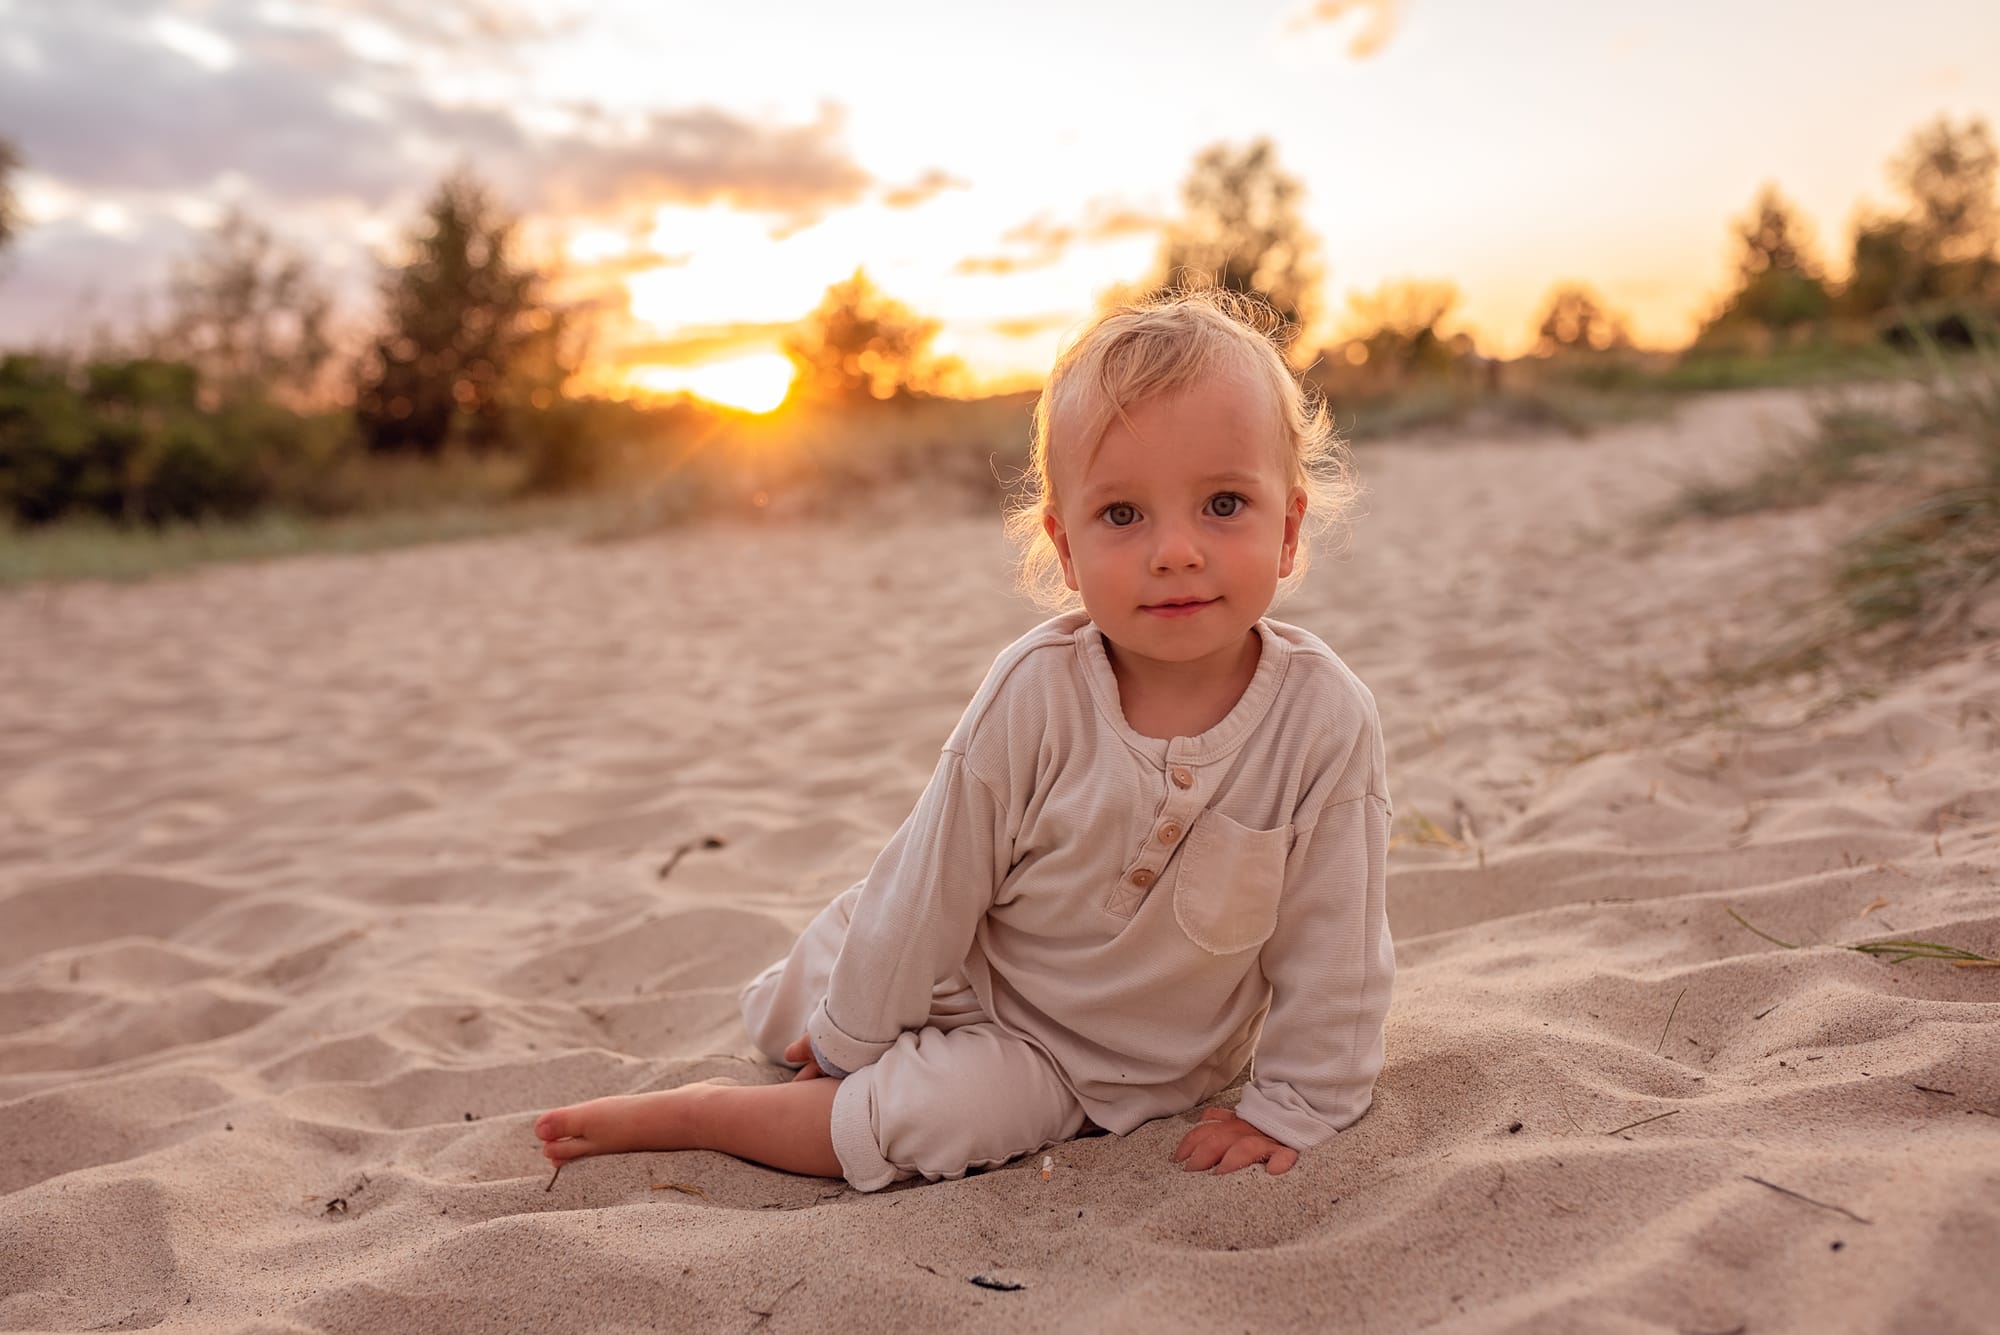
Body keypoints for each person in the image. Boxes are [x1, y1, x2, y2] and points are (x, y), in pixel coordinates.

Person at [534, 289, 1393, 1190]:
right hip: (960, 960)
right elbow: (933, 876)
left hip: (1076, 1065)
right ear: (1064, 548)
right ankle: (817, 995)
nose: (1175, 550)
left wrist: (1294, 1104)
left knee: (927, 1120)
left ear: (1289, 529)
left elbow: (1339, 942)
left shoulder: (1324, 720)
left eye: (1223, 503)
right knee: (814, 995)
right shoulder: (1037, 690)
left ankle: (704, 1114)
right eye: (1123, 515)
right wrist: (848, 1036)